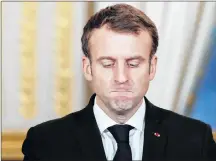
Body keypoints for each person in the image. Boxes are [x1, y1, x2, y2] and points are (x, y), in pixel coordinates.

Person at [22, 3, 216, 161]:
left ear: (152, 67)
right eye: (108, 64)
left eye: (133, 63)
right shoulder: (45, 142)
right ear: (88, 68)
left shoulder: (195, 139)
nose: (121, 78)